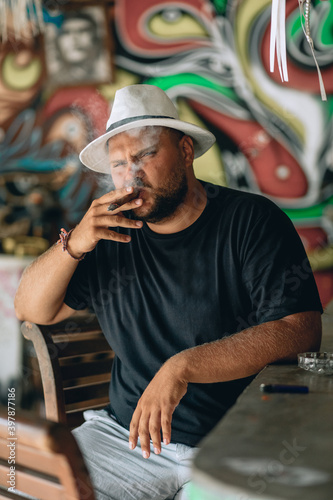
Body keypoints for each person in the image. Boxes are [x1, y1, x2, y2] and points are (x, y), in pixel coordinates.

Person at [15, 84, 323, 500]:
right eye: (120, 163)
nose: (132, 175)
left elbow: (300, 329)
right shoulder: (106, 234)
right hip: (124, 441)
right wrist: (73, 245)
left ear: (185, 151)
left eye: (145, 155)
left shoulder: (251, 222)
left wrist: (183, 366)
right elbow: (32, 310)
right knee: (39, 490)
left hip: (232, 440)